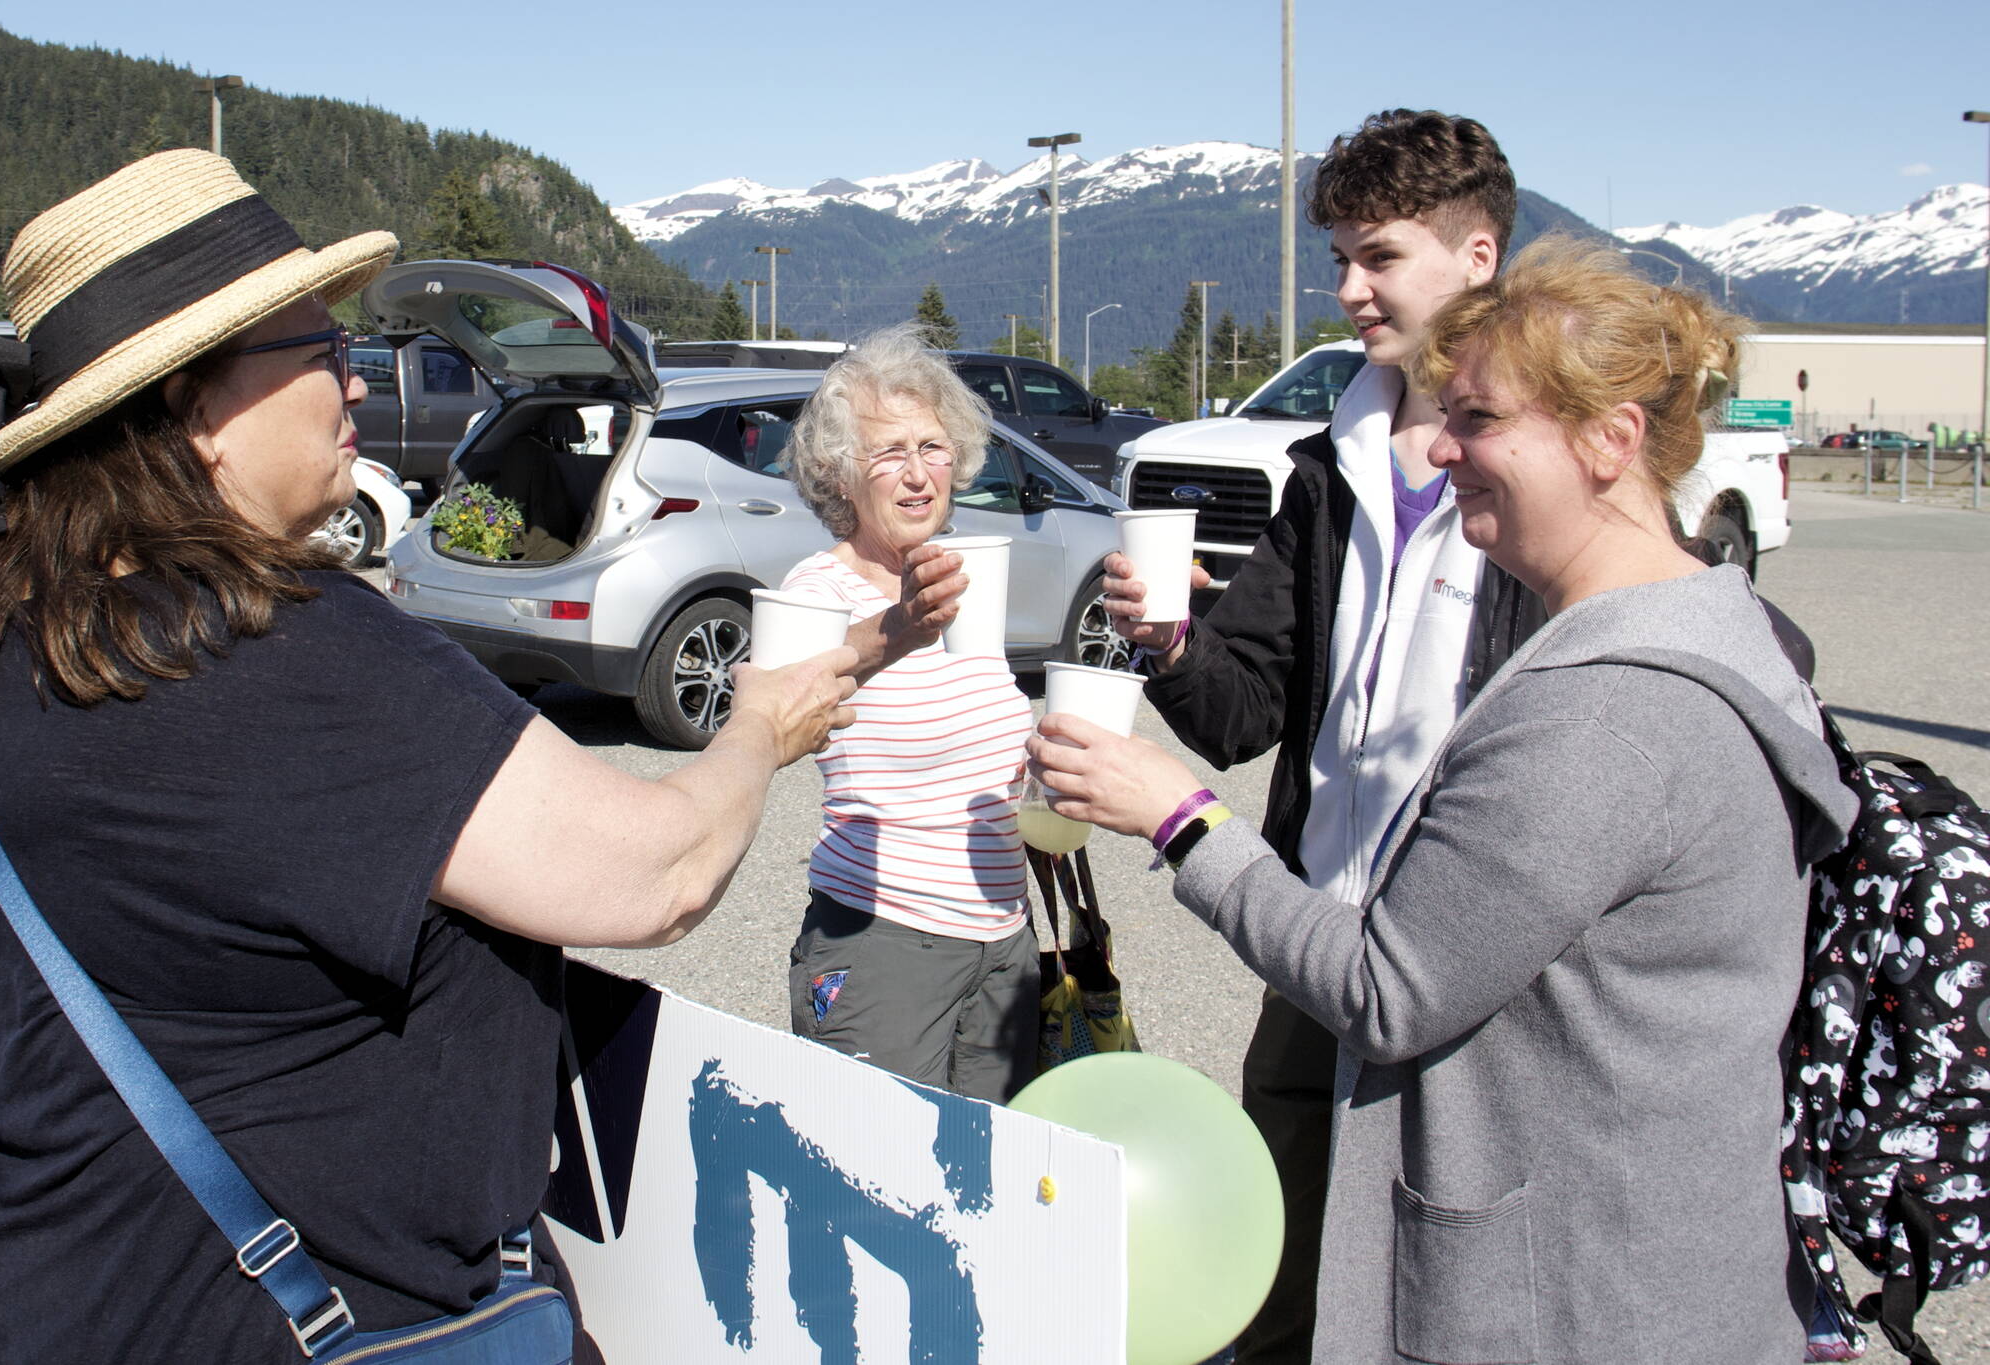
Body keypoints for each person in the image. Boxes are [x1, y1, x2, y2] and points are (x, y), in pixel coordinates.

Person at [0, 149, 857, 1362]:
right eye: (320, 356)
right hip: (292, 1320)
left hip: (49, 1283)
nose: (357, 390)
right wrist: (760, 729)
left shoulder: (2, 620)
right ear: (191, 409)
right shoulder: (262, 651)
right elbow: (656, 872)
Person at [1032, 237, 1859, 1363]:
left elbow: (1385, 989)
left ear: (1609, 442)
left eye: (1478, 420)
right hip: (1651, 1265)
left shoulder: (1599, 719)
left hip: (1576, 1300)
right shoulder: (1712, 633)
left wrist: (1183, 820)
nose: (1443, 449)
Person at [1100, 108, 1542, 1359]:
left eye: (1377, 257)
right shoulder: (1327, 465)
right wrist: (1173, 638)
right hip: (1318, 938)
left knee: (1448, 1272)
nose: (1346, 290)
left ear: (1476, 254)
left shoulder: (1542, 468)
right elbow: (1240, 711)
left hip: (1476, 954)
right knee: (1283, 1274)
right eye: (1338, 257)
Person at [778, 324, 1041, 1104]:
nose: (920, 473)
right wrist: (900, 626)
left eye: (933, 447)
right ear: (840, 473)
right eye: (890, 451)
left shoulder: (965, 583)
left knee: (984, 1187)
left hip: (1004, 944)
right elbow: (790, 692)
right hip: (883, 940)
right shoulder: (817, 592)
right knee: (871, 1190)